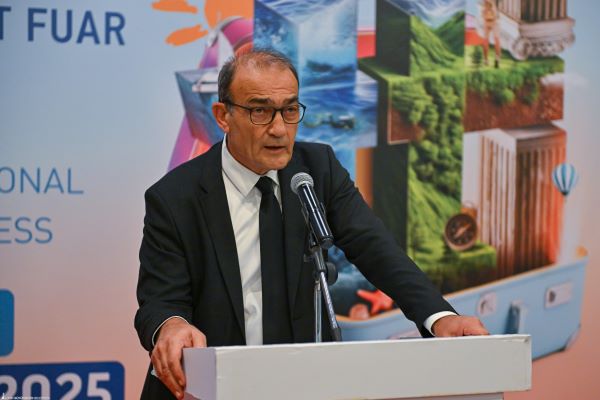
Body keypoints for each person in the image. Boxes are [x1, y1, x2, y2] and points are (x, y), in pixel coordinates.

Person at [134, 49, 488, 400]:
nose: (279, 129)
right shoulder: (175, 197)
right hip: (207, 390)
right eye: (260, 111)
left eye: (289, 110)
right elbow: (160, 300)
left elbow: (376, 249)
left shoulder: (317, 170)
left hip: (298, 385)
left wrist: (439, 316)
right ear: (223, 116)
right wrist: (172, 325)